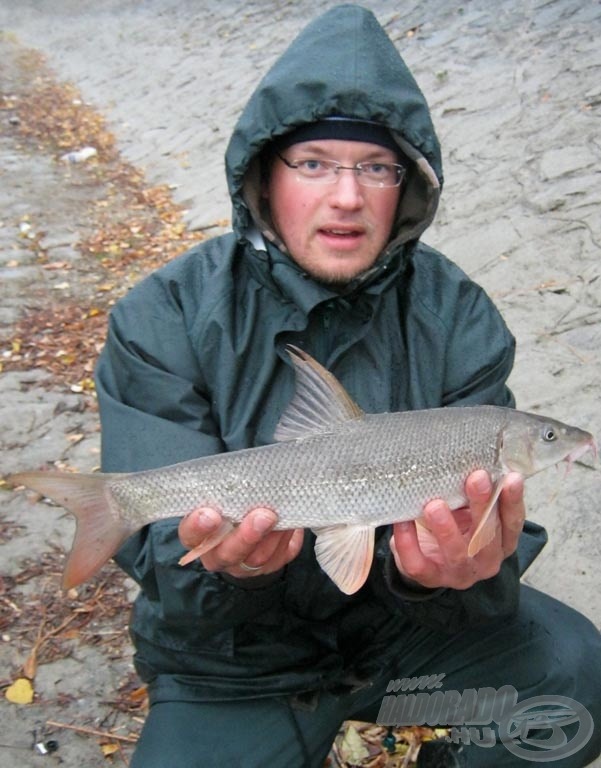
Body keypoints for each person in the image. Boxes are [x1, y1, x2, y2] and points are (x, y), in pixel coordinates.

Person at [95, 5, 601, 767]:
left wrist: (449, 578)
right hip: (232, 660)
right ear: (264, 173)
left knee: (574, 681)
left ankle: (399, 741)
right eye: (314, 163)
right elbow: (165, 567)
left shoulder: (456, 312)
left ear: (408, 186)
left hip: (405, 638)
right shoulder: (161, 313)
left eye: (375, 167)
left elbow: (490, 553)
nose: (345, 196)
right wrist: (234, 571)